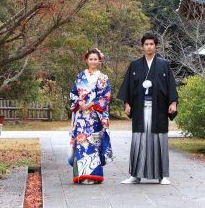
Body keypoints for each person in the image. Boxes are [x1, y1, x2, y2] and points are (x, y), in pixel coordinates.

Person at [117, 32, 178, 185]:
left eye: (152, 44)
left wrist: (173, 102)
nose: (149, 46)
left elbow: (170, 84)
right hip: (140, 107)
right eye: (146, 44)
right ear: (143, 46)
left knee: (159, 140)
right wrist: (127, 103)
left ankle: (162, 175)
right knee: (139, 140)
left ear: (155, 46)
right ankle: (135, 175)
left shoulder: (163, 64)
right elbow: (129, 85)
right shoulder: (135, 64)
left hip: (158, 108)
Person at [68, 48, 113, 184]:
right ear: (86, 60)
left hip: (96, 116)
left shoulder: (103, 78)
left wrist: (92, 103)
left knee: (95, 144)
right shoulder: (80, 76)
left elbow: (106, 95)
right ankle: (82, 175)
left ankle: (94, 175)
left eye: (95, 59)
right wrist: (80, 101)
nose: (93, 61)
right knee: (82, 144)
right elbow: (73, 93)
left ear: (100, 61)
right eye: (90, 59)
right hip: (82, 115)